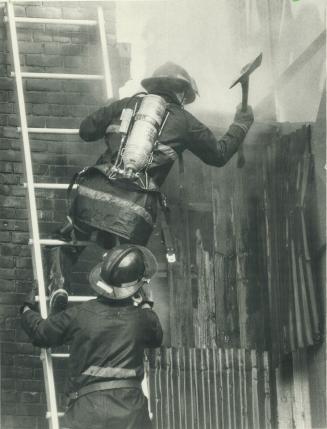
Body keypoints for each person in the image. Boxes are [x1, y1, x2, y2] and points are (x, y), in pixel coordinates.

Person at [47, 61, 254, 312]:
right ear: (181, 92)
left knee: (67, 239)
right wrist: (241, 124)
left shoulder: (125, 104)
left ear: (154, 85)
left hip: (91, 197)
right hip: (132, 215)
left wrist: (112, 109)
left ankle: (58, 285)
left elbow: (86, 130)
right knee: (129, 262)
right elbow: (218, 156)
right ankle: (131, 314)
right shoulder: (186, 122)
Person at [21, 245, 163, 429]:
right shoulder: (144, 319)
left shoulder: (80, 314)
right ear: (136, 287)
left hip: (87, 413)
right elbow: (156, 336)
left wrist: (26, 310)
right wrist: (146, 303)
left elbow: (41, 333)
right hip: (132, 415)